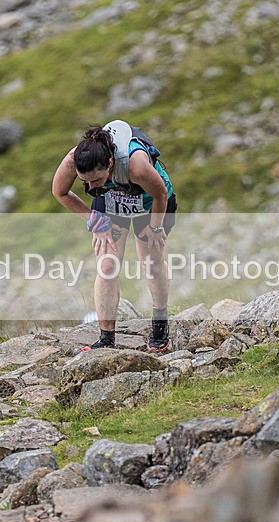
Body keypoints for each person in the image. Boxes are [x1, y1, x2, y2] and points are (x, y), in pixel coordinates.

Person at [52, 119, 177, 352]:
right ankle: (106, 338)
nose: (91, 187)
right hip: (111, 201)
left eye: (96, 179)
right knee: (107, 265)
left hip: (152, 202)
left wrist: (156, 228)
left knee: (151, 261)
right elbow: (60, 192)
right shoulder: (74, 160)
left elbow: (160, 193)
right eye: (85, 182)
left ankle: (160, 327)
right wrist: (95, 221)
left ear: (110, 163)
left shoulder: (135, 165)